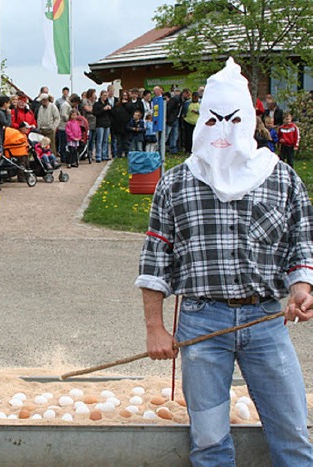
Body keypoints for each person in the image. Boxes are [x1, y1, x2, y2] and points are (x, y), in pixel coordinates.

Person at [136, 57, 313, 466]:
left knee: (293, 436)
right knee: (210, 443)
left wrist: (301, 289)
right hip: (201, 326)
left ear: (250, 121)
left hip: (266, 323)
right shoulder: (176, 181)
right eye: (212, 121)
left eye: (233, 120)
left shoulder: (281, 177)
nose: (223, 132)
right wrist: (155, 329)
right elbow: (155, 259)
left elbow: (301, 243)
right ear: (200, 123)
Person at [35, 93, 60, 159]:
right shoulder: (40, 107)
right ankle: (44, 158)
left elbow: (57, 118)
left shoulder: (53, 107)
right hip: (42, 129)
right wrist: (38, 127)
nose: (41, 102)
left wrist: (53, 127)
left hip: (50, 129)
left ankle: (53, 159)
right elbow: (39, 118)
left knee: (51, 146)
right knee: (42, 145)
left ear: (45, 100)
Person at [110, 90, 131, 158]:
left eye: (126, 95)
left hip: (127, 126)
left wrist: (126, 104)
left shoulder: (130, 104)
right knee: (119, 142)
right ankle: (119, 155)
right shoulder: (117, 105)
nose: (124, 97)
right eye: (123, 95)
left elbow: (131, 112)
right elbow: (113, 114)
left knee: (126, 142)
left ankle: (127, 155)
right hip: (118, 126)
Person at [93, 90, 112, 162]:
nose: (105, 97)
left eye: (106, 96)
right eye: (104, 95)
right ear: (100, 96)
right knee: (99, 140)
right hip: (100, 124)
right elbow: (95, 113)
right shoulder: (97, 104)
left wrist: (110, 109)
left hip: (107, 124)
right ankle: (98, 156)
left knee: (105, 140)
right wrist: (103, 109)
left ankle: (104, 155)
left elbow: (111, 114)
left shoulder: (108, 103)